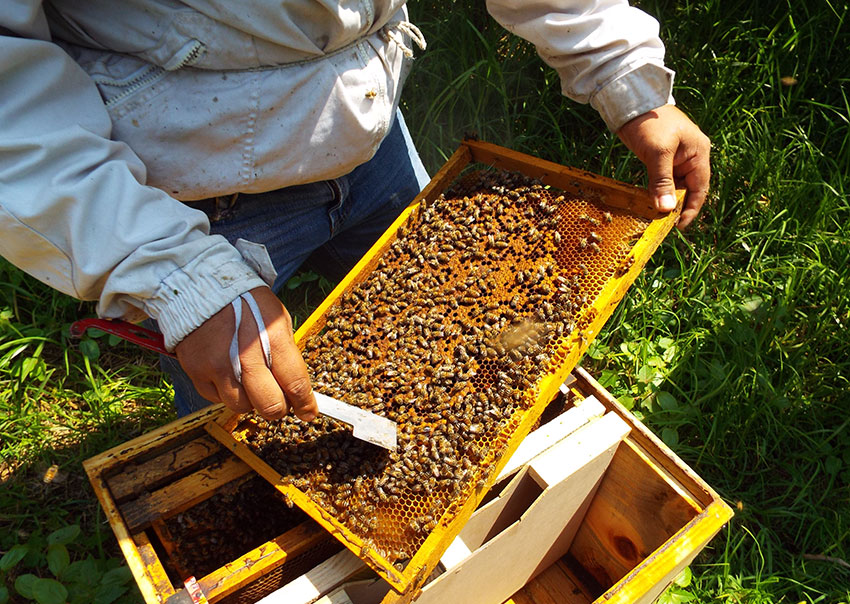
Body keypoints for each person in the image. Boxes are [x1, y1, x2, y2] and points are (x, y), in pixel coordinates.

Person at [0, 1, 710, 424]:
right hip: (188, 192)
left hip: (370, 139)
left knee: (455, 342)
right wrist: (171, 271)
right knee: (244, 410)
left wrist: (627, 75)